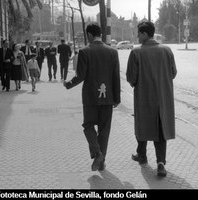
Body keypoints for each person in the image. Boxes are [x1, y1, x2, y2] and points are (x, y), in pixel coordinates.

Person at [64, 23, 121, 171]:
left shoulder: (85, 52)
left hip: (90, 97)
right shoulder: (113, 52)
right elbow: (116, 77)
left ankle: (97, 153)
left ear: (89, 35)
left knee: (88, 126)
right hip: (108, 97)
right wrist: (117, 98)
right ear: (100, 34)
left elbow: (81, 75)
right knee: (104, 130)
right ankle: (101, 161)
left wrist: (69, 83)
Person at [126, 21, 177, 177]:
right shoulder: (167, 50)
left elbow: (131, 77)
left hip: (144, 98)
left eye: (138, 33)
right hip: (163, 98)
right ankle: (160, 163)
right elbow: (173, 73)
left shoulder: (136, 53)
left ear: (145, 34)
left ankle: (142, 155)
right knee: (161, 130)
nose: (137, 36)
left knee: (143, 126)